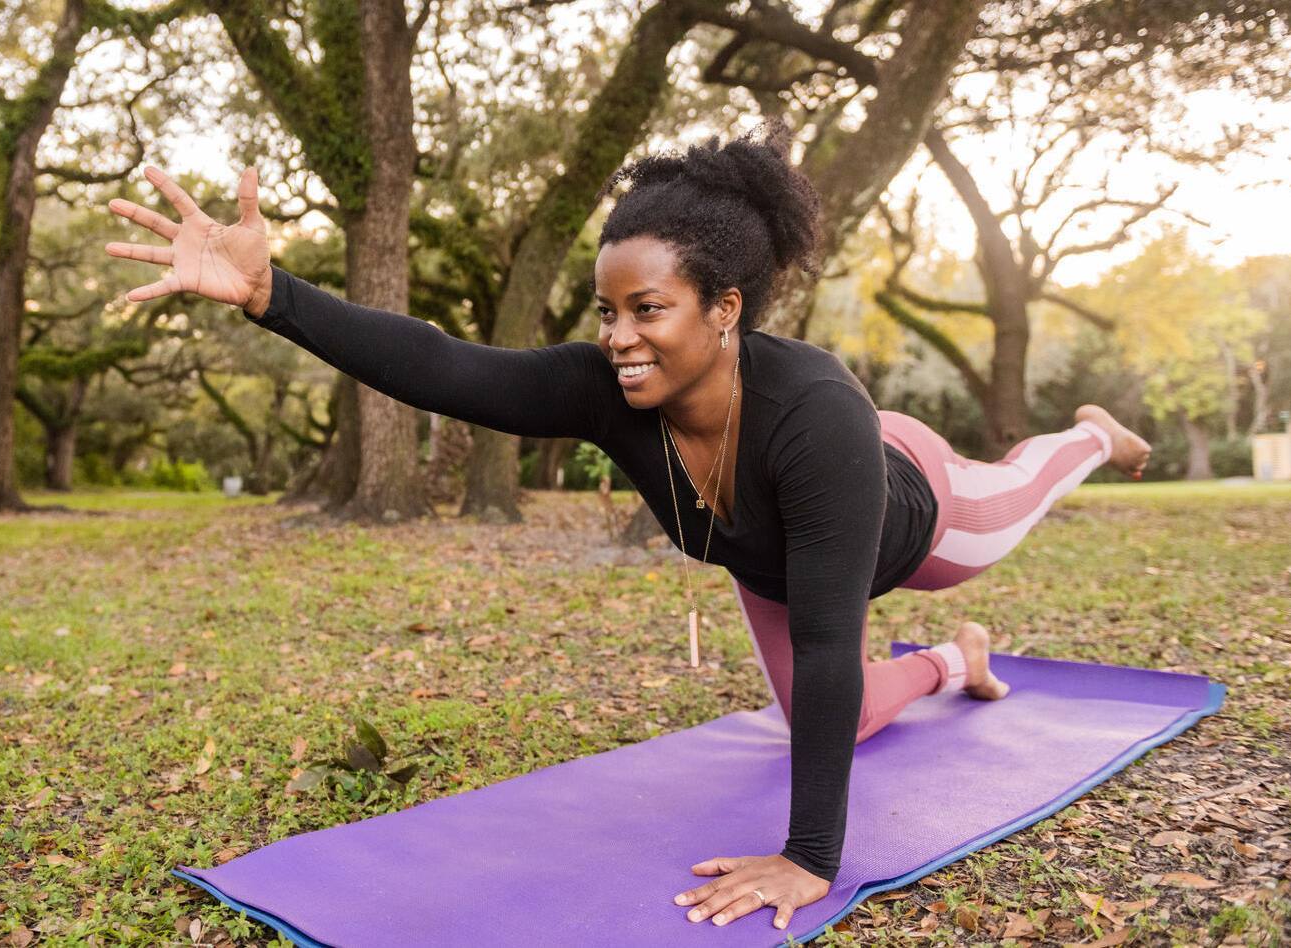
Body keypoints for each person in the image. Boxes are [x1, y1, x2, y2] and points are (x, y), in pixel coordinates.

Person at [104, 121, 1152, 932]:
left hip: (913, 513)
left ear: (725, 308)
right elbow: (441, 364)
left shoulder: (816, 414)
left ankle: (1094, 436)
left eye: (646, 310)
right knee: (831, 721)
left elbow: (833, 641)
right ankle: (948, 667)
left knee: (1021, 490)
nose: (617, 337)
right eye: (607, 311)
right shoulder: (609, 388)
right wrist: (269, 293)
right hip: (774, 555)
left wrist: (809, 859)